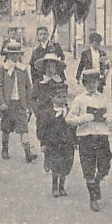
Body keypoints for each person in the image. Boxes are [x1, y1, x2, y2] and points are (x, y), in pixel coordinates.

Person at [66, 68, 112, 212]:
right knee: (88, 169)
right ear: (84, 83)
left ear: (98, 83)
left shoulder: (104, 98)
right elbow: (69, 119)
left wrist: (108, 117)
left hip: (101, 136)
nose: (91, 85)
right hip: (86, 138)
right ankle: (93, 198)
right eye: (88, 83)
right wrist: (83, 119)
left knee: (104, 166)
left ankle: (96, 182)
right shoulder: (79, 99)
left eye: (94, 82)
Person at [33, 53, 75, 197]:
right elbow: (33, 97)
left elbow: (63, 95)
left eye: (53, 67)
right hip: (44, 113)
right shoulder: (40, 82)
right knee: (46, 135)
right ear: (44, 68)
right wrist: (37, 109)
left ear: (57, 68)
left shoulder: (60, 81)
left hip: (59, 115)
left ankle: (61, 185)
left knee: (65, 161)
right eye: (48, 67)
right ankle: (46, 155)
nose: (51, 70)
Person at [0, 40, 35, 162]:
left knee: (23, 128)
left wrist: (29, 106)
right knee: (6, 128)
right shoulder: (3, 69)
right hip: (8, 103)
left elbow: (28, 87)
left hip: (20, 104)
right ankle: (5, 149)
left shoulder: (23, 69)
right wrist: (1, 103)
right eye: (13, 54)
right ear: (7, 55)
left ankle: (28, 152)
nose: (16, 56)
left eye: (18, 54)